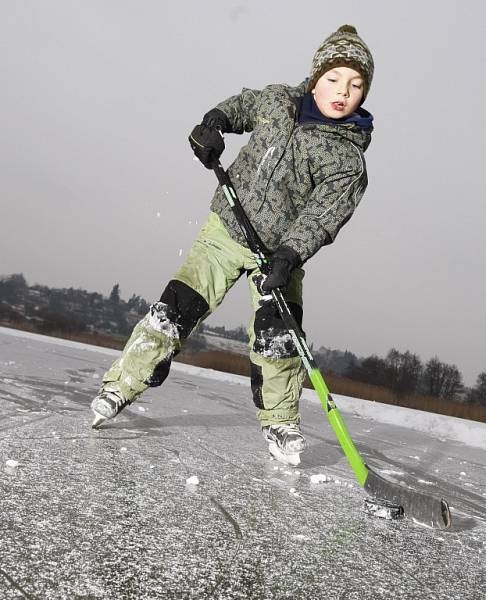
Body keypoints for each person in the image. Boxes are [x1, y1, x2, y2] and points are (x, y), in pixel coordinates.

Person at [90, 25, 375, 464]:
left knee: (278, 337)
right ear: (315, 77)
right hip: (225, 230)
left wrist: (289, 255)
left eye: (356, 86)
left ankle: (281, 423)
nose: (343, 92)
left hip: (278, 256)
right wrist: (213, 124)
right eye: (335, 79)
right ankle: (120, 386)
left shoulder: (347, 159)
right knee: (175, 308)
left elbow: (323, 215)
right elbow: (239, 106)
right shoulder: (279, 100)